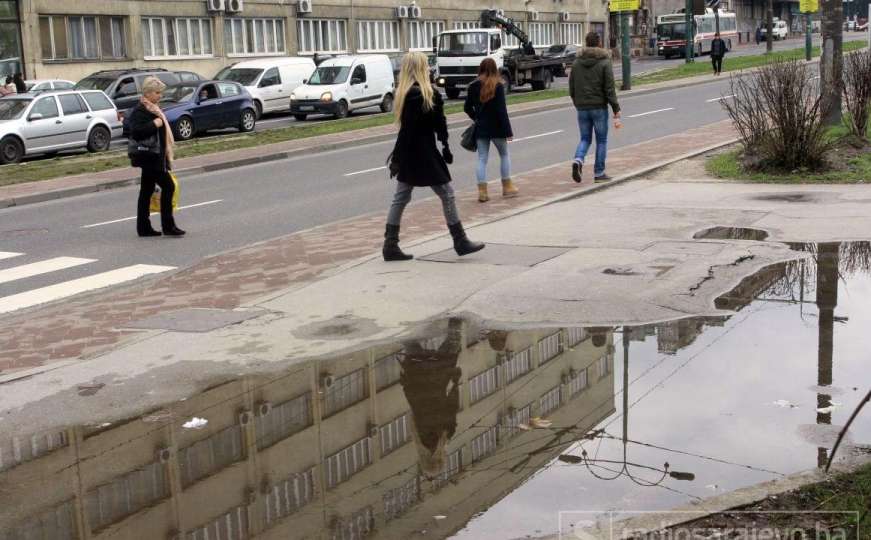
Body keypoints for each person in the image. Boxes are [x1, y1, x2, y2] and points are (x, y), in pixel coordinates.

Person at [384, 52, 484, 261]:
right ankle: (460, 240)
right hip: (424, 153)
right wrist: (444, 145)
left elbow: (414, 130)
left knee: (401, 197)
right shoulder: (423, 95)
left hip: (414, 152)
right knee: (446, 193)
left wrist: (399, 158)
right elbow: (427, 127)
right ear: (420, 68)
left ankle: (390, 245)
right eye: (426, 66)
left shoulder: (407, 94)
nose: (429, 68)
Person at [400, 318, 463, 479]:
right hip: (418, 382)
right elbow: (414, 410)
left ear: (440, 460)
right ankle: (397, 316)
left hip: (436, 384)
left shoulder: (443, 438)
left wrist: (455, 384)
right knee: (411, 345)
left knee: (452, 345)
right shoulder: (418, 439)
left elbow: (451, 407)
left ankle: (455, 321)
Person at [127, 76, 185, 237]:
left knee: (146, 191)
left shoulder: (153, 108)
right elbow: (136, 132)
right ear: (148, 93)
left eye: (161, 92)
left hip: (155, 156)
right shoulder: (141, 110)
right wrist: (155, 124)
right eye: (157, 92)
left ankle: (144, 227)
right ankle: (168, 226)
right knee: (168, 187)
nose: (160, 95)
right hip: (149, 157)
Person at [569, 31, 622, 184]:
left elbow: (571, 87)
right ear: (599, 43)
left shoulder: (577, 63)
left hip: (582, 108)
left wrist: (577, 102)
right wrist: (616, 108)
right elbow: (609, 88)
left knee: (585, 138)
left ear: (586, 43)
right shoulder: (604, 62)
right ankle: (599, 173)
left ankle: (578, 160)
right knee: (602, 140)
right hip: (599, 107)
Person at [464, 57, 517, 203]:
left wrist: (476, 118)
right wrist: (508, 132)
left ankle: (482, 192)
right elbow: (501, 111)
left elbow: (466, 108)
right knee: (504, 155)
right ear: (495, 69)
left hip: (482, 128)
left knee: (482, 158)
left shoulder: (473, 86)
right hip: (498, 128)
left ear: (480, 69)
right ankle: (507, 187)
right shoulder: (498, 86)